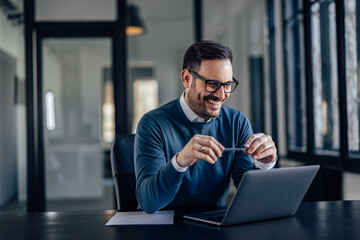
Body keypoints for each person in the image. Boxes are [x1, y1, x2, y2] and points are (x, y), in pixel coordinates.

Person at [135, 40, 277, 214]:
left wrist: (264, 164)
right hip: (162, 226)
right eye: (212, 84)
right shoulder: (153, 124)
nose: (221, 94)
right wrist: (179, 162)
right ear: (187, 79)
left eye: (227, 85)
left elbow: (253, 197)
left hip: (213, 223)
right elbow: (149, 203)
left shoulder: (237, 122)